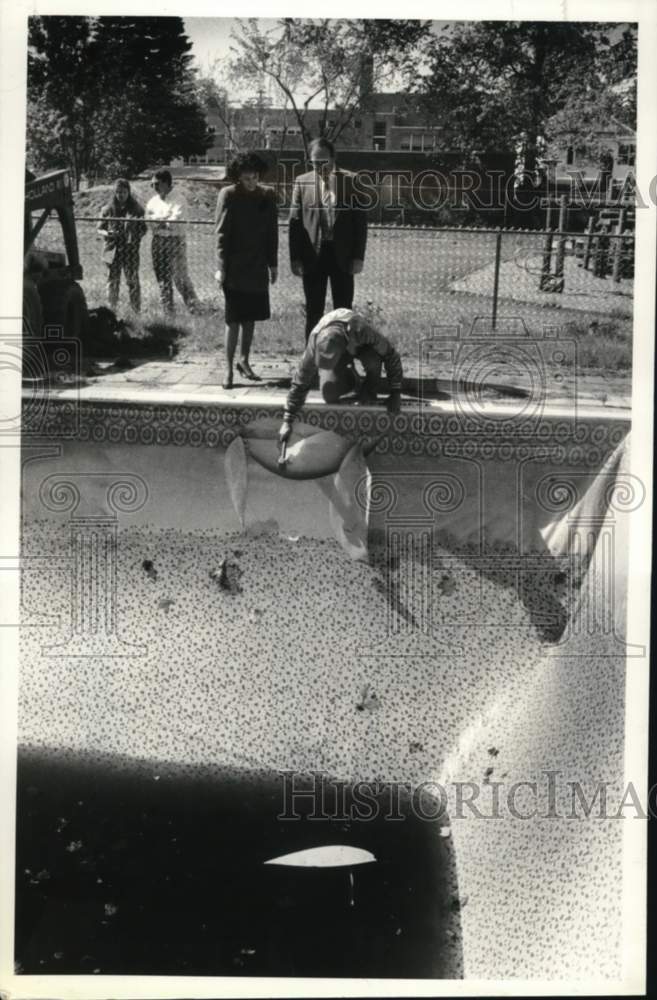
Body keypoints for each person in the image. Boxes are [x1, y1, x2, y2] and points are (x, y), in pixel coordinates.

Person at [278, 308, 403, 443]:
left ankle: (369, 389)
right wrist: (287, 420)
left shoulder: (362, 331)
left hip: (360, 345)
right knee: (329, 394)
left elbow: (391, 355)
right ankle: (353, 380)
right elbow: (301, 380)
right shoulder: (314, 343)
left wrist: (396, 392)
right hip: (342, 349)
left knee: (372, 362)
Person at [289, 138, 368, 341]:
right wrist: (295, 258)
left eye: (324, 161)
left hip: (342, 256)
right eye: (315, 162)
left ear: (333, 158)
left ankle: (342, 356)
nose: (320, 166)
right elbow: (295, 223)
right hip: (313, 256)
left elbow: (360, 223)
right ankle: (312, 356)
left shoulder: (352, 181)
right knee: (313, 310)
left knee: (343, 312)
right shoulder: (302, 182)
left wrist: (358, 257)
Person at [214, 152, 278, 389]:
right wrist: (220, 267)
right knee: (233, 320)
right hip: (234, 268)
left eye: (255, 177)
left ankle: (244, 361)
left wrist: (273, 264)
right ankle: (228, 369)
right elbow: (221, 234)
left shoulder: (267, 195)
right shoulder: (228, 195)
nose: (251, 182)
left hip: (257, 267)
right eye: (246, 178)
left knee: (250, 318)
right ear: (238, 177)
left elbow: (272, 232)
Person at [145, 168, 200, 314]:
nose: (153, 187)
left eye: (156, 184)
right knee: (162, 279)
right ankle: (168, 312)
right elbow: (148, 222)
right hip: (158, 241)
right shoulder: (152, 202)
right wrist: (164, 220)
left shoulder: (179, 199)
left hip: (175, 241)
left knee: (180, 278)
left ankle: (195, 309)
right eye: (152, 184)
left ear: (166, 183)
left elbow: (175, 223)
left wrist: (158, 220)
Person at [97, 178, 147, 313]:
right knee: (112, 280)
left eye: (124, 192)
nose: (121, 195)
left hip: (130, 250)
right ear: (114, 192)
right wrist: (108, 233)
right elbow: (99, 228)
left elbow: (144, 229)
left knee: (132, 280)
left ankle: (136, 310)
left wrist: (134, 236)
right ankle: (111, 310)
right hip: (111, 249)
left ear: (128, 192)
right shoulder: (107, 209)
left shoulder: (137, 209)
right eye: (118, 192)